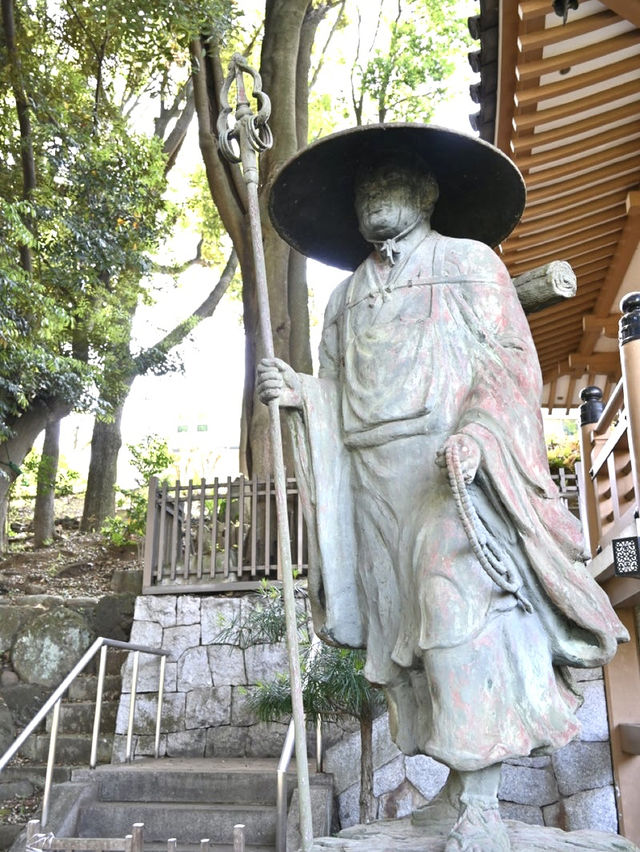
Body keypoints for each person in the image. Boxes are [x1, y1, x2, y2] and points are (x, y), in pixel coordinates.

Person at [257, 125, 628, 852]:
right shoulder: (344, 299)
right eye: (364, 189)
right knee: (403, 642)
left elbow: (509, 367)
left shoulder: (469, 264)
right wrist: (300, 390)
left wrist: (480, 434)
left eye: (389, 182)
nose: (374, 197)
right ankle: (454, 795)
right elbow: (334, 388)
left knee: (454, 603)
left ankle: (483, 805)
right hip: (369, 478)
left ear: (427, 194)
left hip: (450, 468)